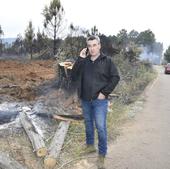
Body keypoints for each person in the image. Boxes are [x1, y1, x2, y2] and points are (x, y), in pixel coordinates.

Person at [71, 35, 120, 169]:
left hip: (99, 102)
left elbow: (115, 77)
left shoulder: (107, 61)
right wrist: (80, 58)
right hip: (86, 99)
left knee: (101, 128)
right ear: (87, 47)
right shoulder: (84, 61)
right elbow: (73, 75)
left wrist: (105, 93)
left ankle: (102, 155)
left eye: (94, 45)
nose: (92, 48)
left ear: (99, 46)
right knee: (88, 124)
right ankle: (90, 146)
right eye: (89, 46)